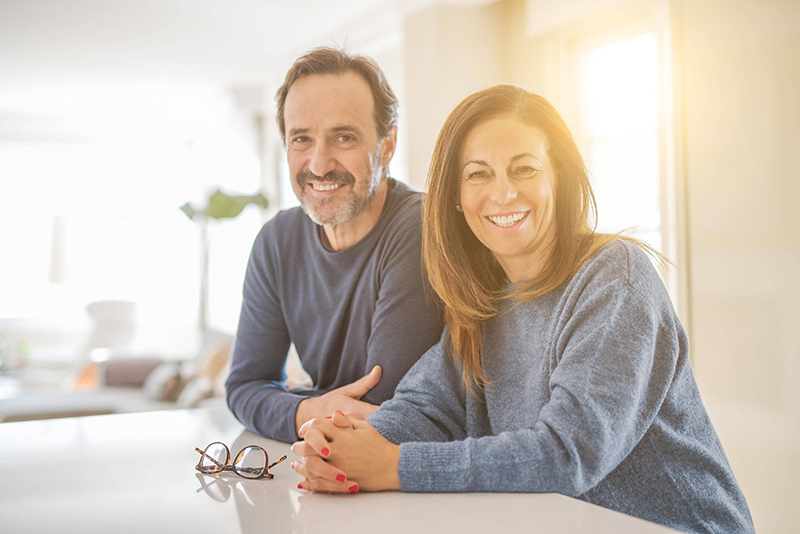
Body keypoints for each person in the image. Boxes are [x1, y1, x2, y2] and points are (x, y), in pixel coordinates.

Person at [290, 85, 755, 533]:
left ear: (558, 176)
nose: (504, 193)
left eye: (525, 168)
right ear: (456, 196)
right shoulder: (484, 299)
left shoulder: (616, 277)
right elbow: (426, 407)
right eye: (478, 174)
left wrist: (394, 464)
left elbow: (567, 452)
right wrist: (344, 446)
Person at [225, 47, 443, 444]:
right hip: (329, 473)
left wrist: (291, 404)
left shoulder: (421, 226)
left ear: (387, 145)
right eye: (302, 139)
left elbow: (384, 406)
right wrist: (308, 410)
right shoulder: (277, 241)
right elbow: (244, 386)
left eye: (343, 137)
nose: (320, 164)